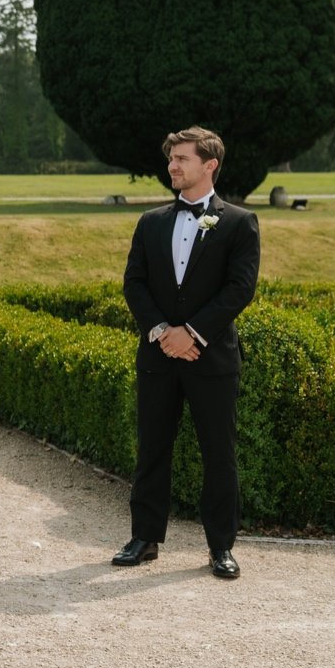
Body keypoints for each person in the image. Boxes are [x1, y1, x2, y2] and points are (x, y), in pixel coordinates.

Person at [115, 126, 260, 579]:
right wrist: (162, 332)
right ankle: (145, 538)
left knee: (219, 453)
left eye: (182, 159)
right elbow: (133, 283)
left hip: (211, 358)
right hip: (158, 356)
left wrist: (192, 334)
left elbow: (240, 289)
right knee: (152, 448)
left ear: (209, 164)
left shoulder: (239, 222)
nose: (172, 166)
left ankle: (221, 547)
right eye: (171, 159)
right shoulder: (151, 222)